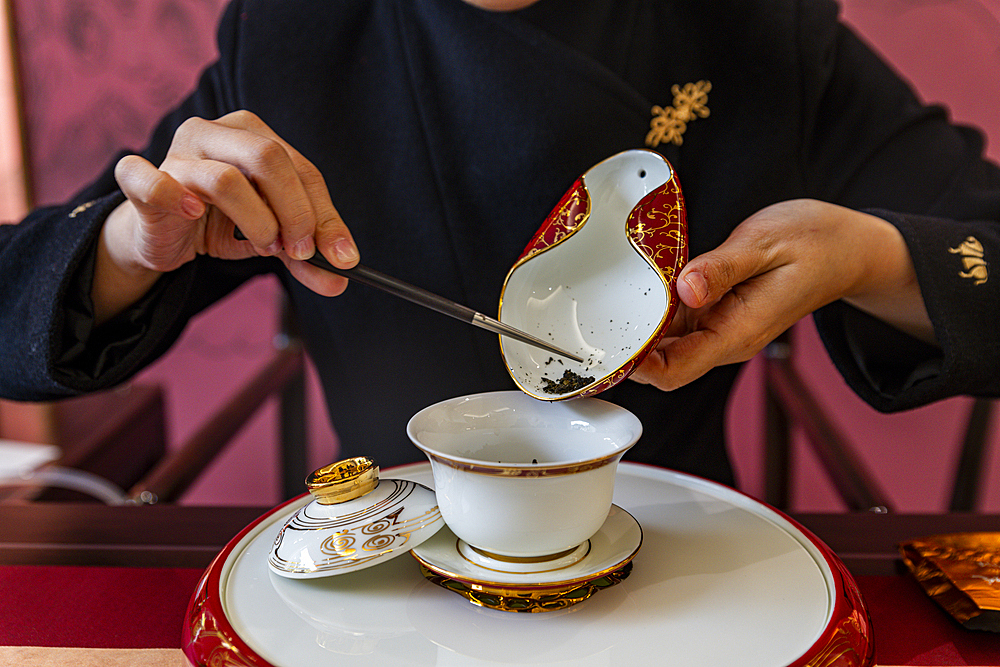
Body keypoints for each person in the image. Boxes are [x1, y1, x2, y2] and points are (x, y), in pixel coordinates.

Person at [1, 0, 998, 487]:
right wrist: (134, 244)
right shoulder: (298, 35)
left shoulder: (756, 25)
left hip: (677, 548)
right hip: (386, 573)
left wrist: (867, 257)